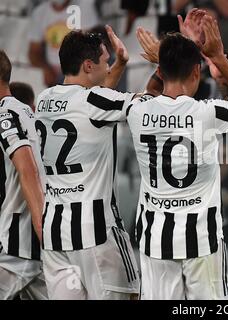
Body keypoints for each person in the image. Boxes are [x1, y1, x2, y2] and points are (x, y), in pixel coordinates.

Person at [126, 15, 228, 299]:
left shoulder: (137, 111)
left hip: (155, 238)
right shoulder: (207, 113)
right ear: (197, 72)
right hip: (201, 240)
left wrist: (164, 56)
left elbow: (152, 91)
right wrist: (219, 57)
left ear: (160, 70)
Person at [35, 26, 140, 300]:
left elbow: (95, 101)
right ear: (88, 65)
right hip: (97, 233)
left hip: (56, 234)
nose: (109, 68)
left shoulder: (45, 99)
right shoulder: (95, 101)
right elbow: (144, 107)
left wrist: (121, 64)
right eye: (106, 62)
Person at [0, 51, 47, 299]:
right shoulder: (27, 113)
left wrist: (42, 232)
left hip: (18, 244)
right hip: (33, 241)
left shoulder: (5, 115)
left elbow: (28, 170)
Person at [28, 0, 100, 87]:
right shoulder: (40, 12)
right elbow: (33, 51)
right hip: (54, 76)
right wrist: (46, 69)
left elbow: (92, 45)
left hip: (79, 71)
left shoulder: (84, 5)